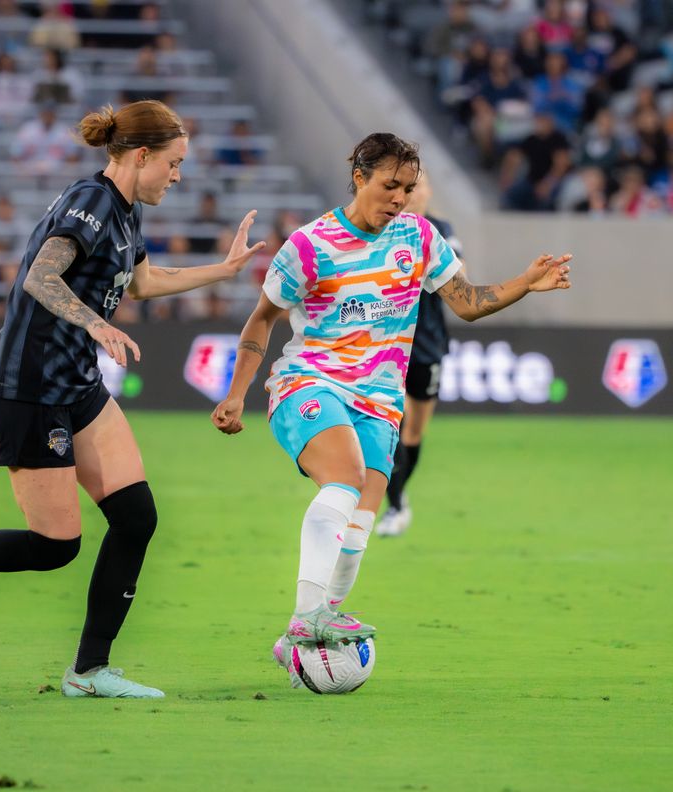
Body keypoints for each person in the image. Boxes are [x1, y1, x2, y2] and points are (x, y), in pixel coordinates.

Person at [0, 100, 266, 699]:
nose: (178, 176)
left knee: (136, 517)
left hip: (76, 385)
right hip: (29, 390)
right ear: (140, 156)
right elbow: (41, 276)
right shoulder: (91, 202)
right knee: (55, 546)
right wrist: (94, 325)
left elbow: (142, 283)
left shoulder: (124, 211)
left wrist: (223, 271)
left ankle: (89, 673)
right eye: (173, 164)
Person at [209, 133, 571, 685]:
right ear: (359, 177)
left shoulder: (420, 239)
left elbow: (467, 303)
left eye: (407, 187)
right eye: (389, 185)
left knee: (360, 522)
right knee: (346, 479)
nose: (400, 197)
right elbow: (262, 318)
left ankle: (298, 634)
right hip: (309, 383)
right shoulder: (310, 245)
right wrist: (236, 393)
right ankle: (310, 617)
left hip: (380, 402)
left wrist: (525, 283)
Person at [374, 171, 458, 537]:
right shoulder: (385, 229)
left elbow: (459, 274)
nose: (413, 193)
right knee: (392, 424)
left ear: (428, 191)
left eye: (419, 185)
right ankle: (393, 505)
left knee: (414, 430)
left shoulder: (441, 230)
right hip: (390, 342)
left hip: (427, 342)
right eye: (406, 187)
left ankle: (399, 495)